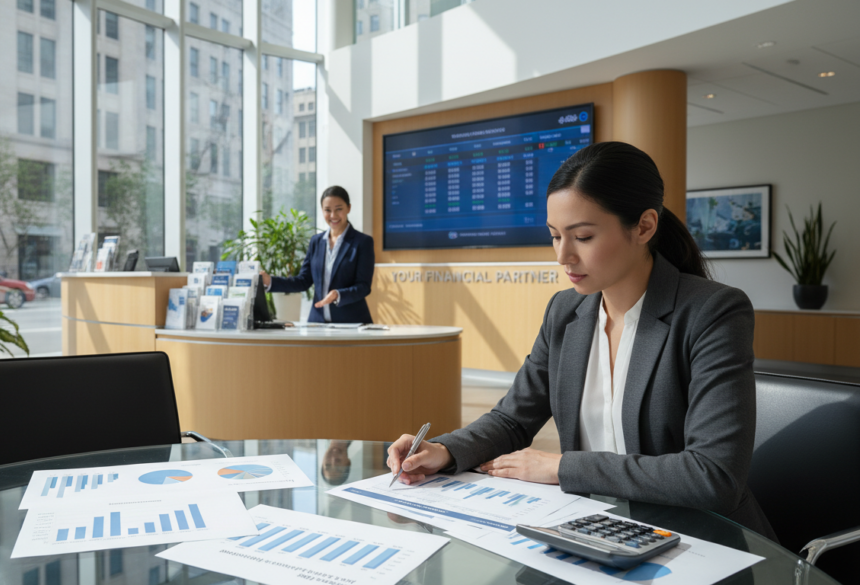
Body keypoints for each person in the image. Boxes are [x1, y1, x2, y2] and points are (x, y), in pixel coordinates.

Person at [386, 141, 776, 539]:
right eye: (555, 236)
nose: (563, 256)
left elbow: (713, 474)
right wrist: (445, 451)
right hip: (596, 531)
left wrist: (559, 468)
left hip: (699, 540)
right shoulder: (565, 312)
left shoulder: (713, 311)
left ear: (644, 226)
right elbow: (512, 419)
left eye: (583, 237)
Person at [261, 186, 375, 324]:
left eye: (339, 209)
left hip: (351, 324)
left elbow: (363, 287)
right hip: (318, 324)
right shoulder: (316, 241)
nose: (333, 215)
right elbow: (303, 281)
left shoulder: (362, 242)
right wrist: (270, 281)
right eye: (327, 210)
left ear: (348, 208)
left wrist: (338, 294)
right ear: (322, 210)